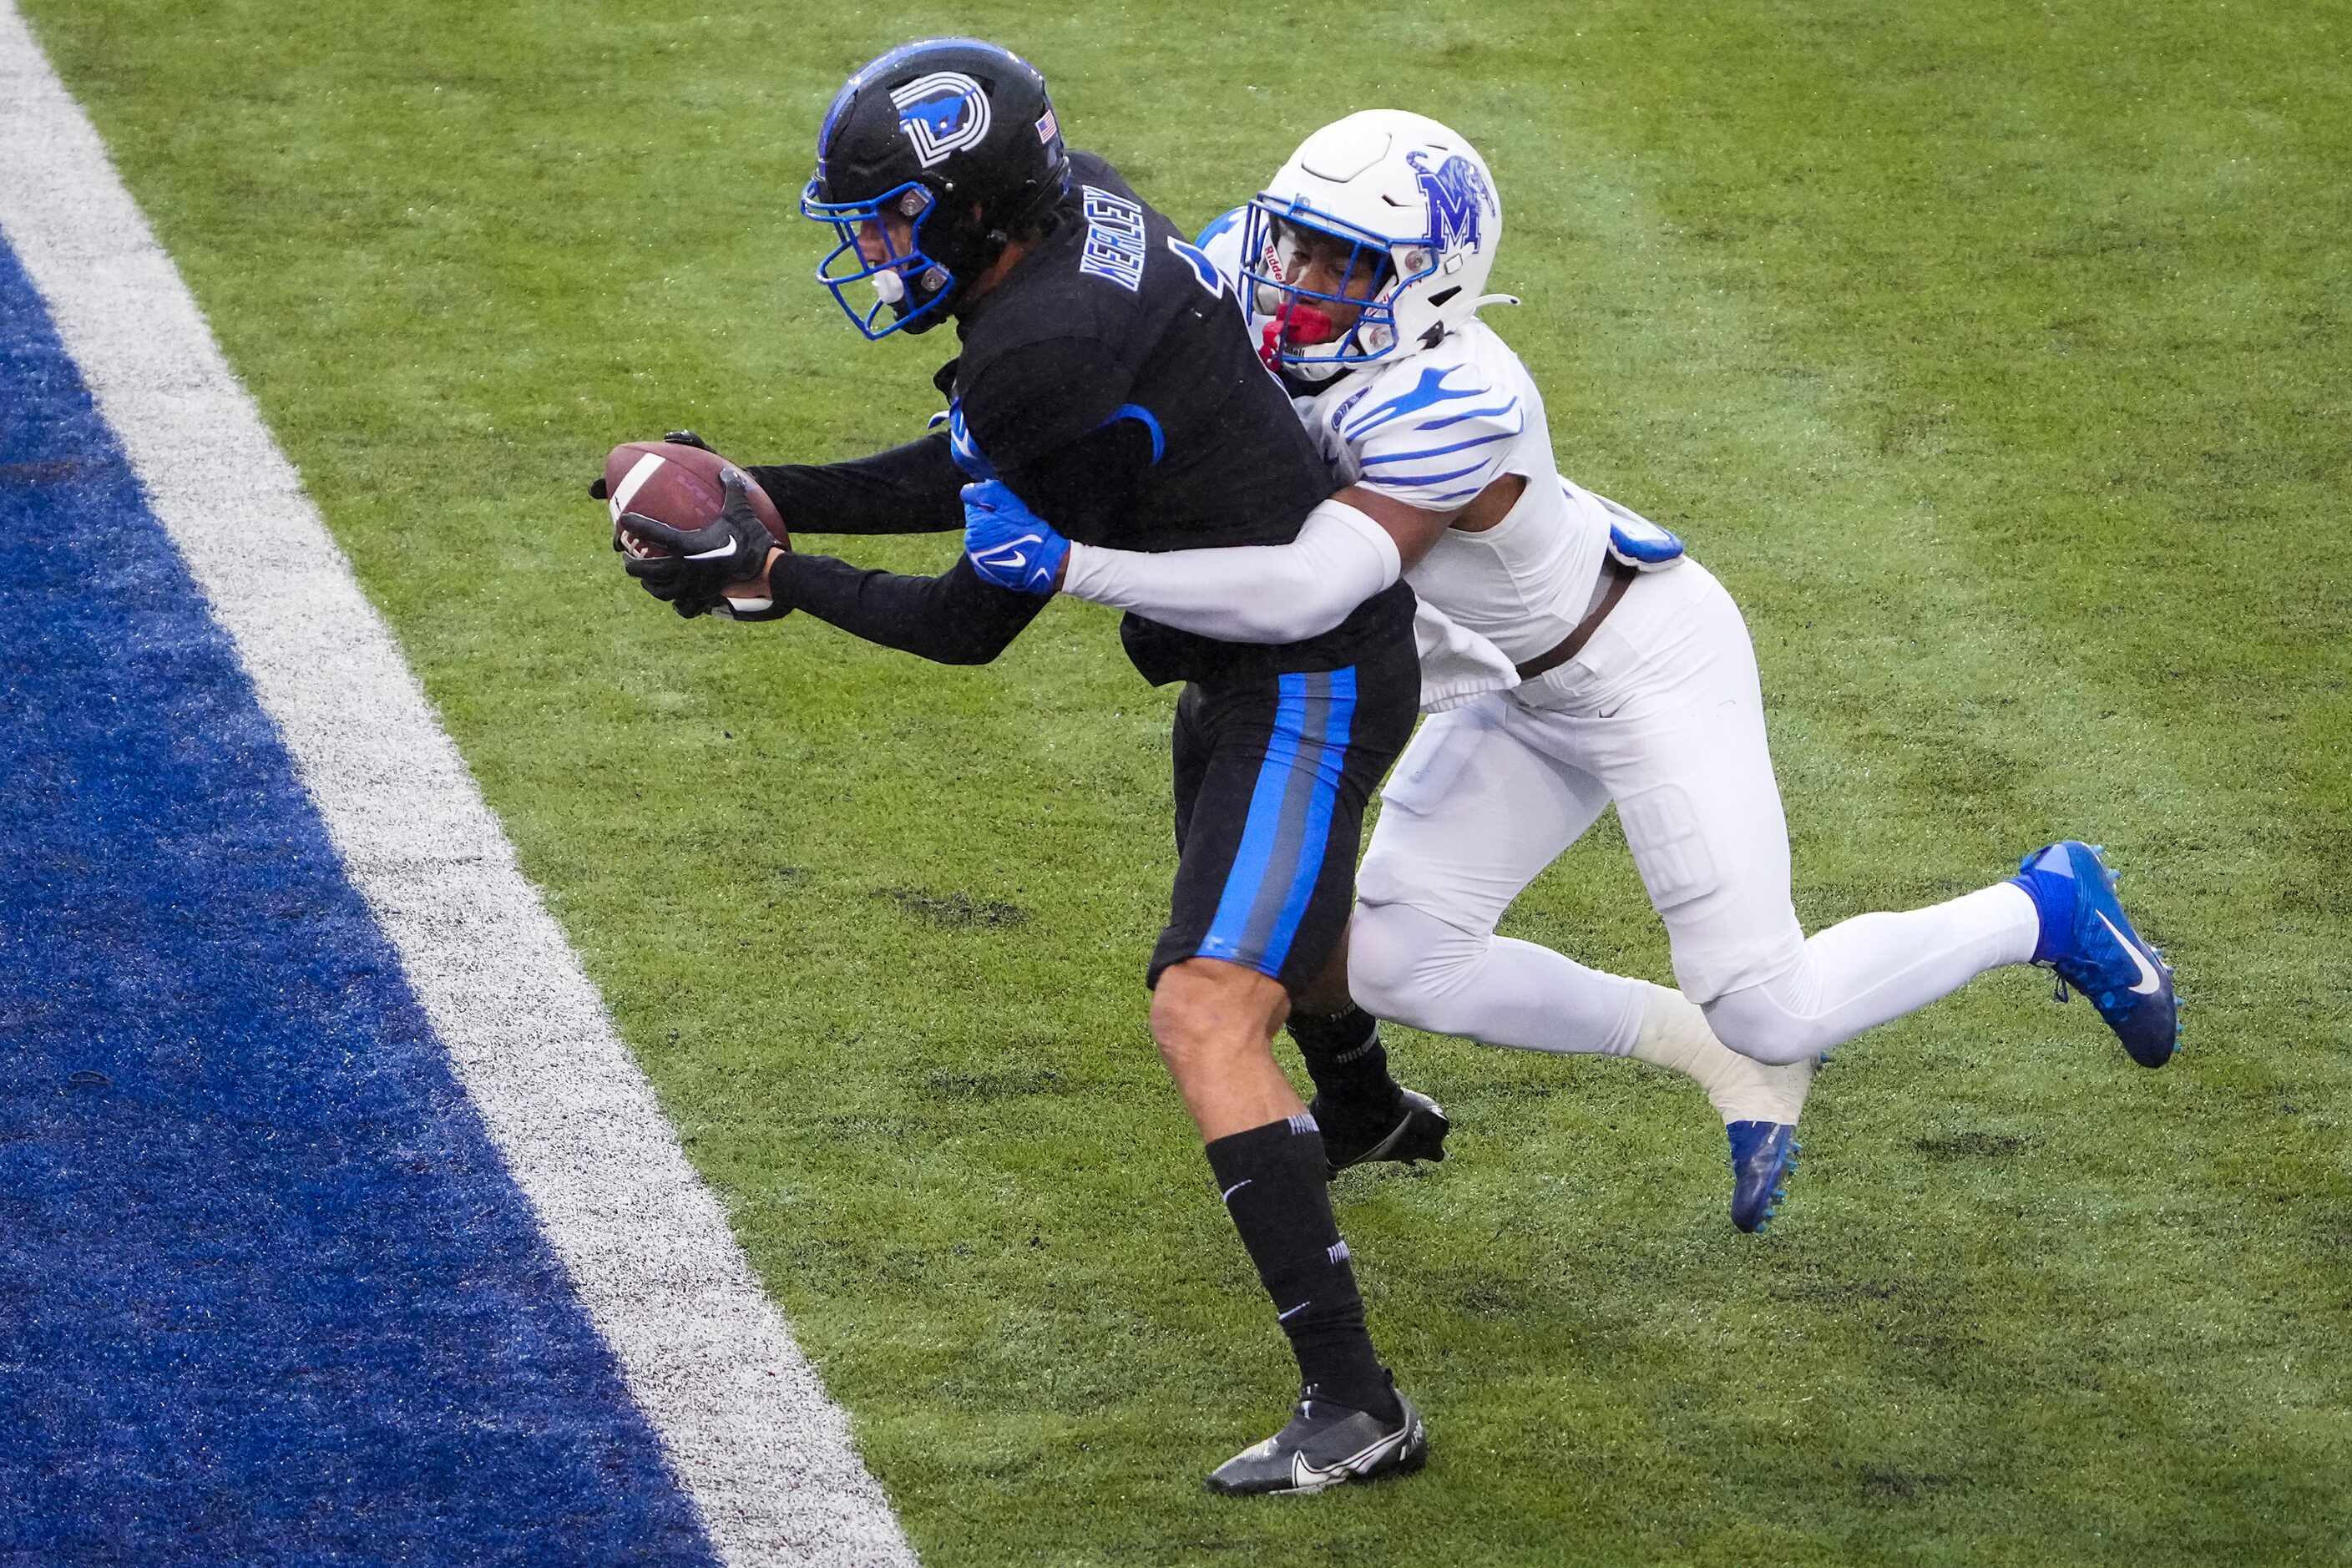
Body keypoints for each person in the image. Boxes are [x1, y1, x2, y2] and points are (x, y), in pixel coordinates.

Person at [959, 112, 2181, 1181]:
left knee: (1769, 1005)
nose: (1293, 279)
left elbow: (1309, 583)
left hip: (1641, 665)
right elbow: (1144, 300)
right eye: (1293, 241)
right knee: (1390, 958)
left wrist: (1076, 566)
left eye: (1342, 262)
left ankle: (2040, 904)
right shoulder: (1251, 264)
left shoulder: (1452, 399)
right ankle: (1680, 1041)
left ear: (1431, 282)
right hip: (1506, 678)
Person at [612, 41, 1432, 1495]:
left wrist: (773, 570)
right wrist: (768, 488)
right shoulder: (1075, 232)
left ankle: (1356, 1401)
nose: (869, 246)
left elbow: (968, 624)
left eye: (886, 217)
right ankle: (1363, 1108)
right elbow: (978, 457)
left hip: (1301, 677)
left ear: (978, 211)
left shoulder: (1040, 350)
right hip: (1249, 658)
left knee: (1204, 1011)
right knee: (1271, 946)